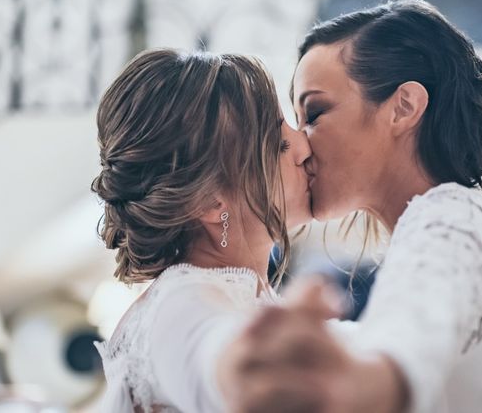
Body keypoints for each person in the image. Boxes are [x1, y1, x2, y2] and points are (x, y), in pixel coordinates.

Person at [222, 0, 482, 413]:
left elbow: (405, 346)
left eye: (315, 113)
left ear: (403, 108)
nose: (301, 144)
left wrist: (353, 385)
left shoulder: (452, 218)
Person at [91, 49, 315, 412]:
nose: (304, 145)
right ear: (211, 203)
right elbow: (212, 353)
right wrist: (252, 365)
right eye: (277, 144)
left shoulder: (239, 292)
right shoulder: (182, 300)